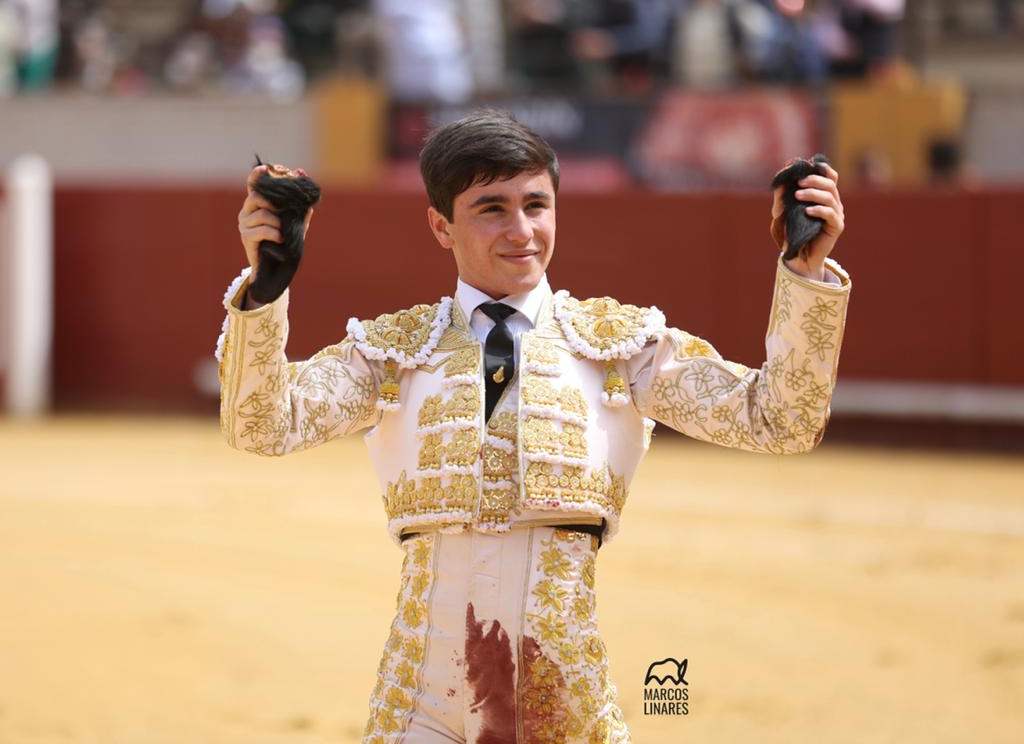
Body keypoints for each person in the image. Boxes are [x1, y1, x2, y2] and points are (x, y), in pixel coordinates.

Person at [215, 109, 852, 743]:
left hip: (562, 703)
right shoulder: (391, 352)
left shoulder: (620, 348)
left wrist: (803, 273)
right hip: (420, 701)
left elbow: (782, 421)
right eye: (491, 208)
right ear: (442, 226)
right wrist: (266, 293)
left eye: (536, 205)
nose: (521, 230)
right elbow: (263, 426)